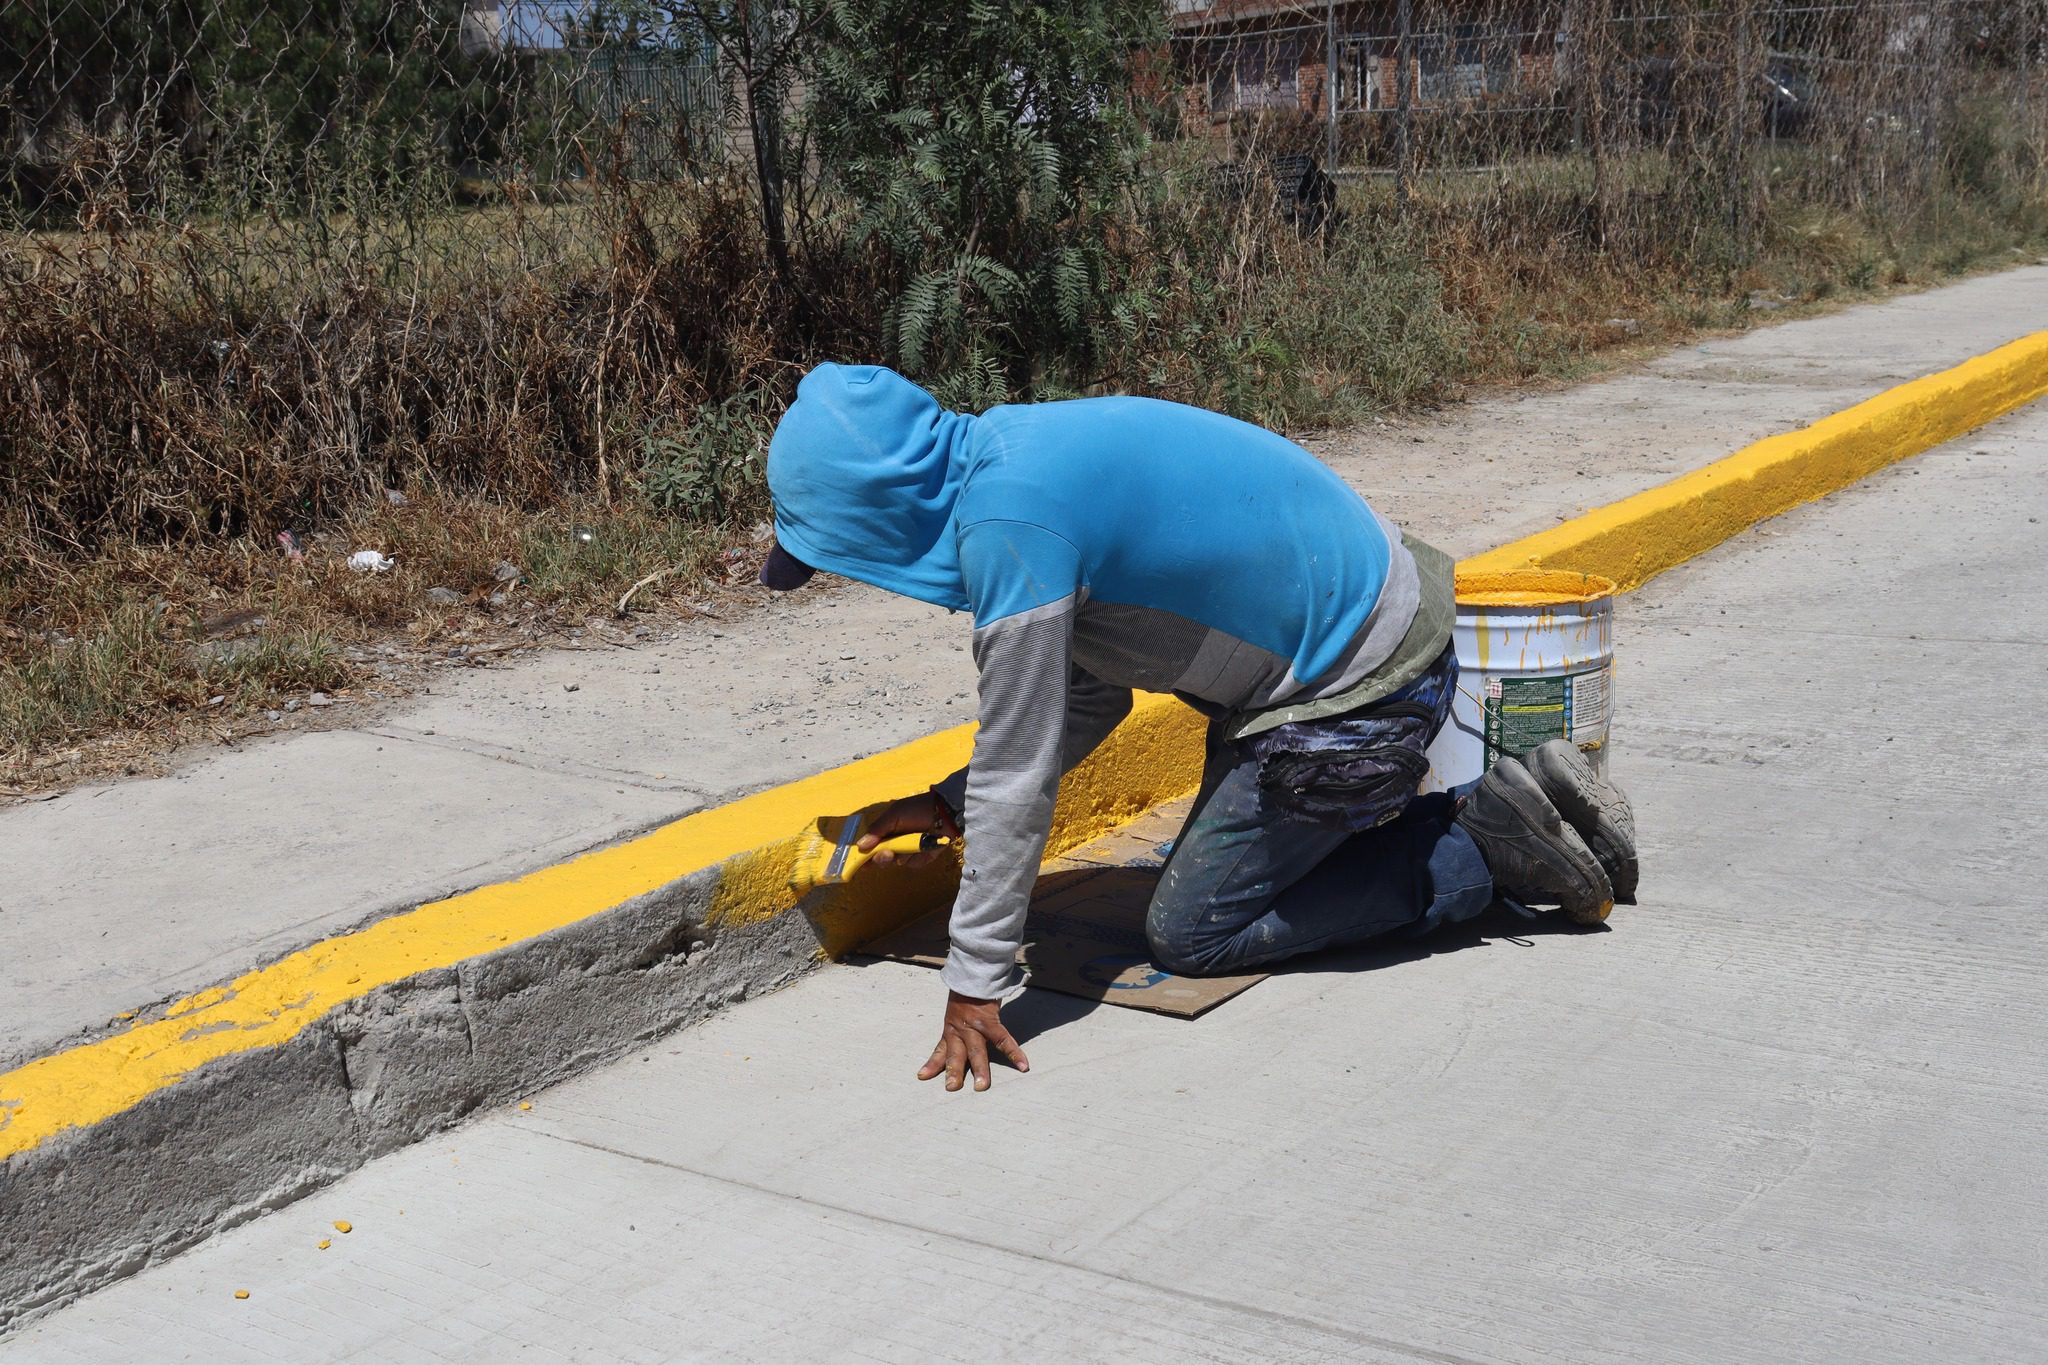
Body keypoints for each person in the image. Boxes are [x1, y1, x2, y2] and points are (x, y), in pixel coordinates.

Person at [760, 363, 1638, 1093]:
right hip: (1378, 634)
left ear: (882, 517)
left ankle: (1481, 848)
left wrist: (975, 982)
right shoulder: (1011, 452)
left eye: (843, 553)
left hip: (1359, 695)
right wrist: (943, 804)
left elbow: (1017, 772)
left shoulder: (1011, 531)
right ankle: (1519, 801)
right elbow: (1092, 696)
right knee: (1215, 874)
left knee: (1191, 933)